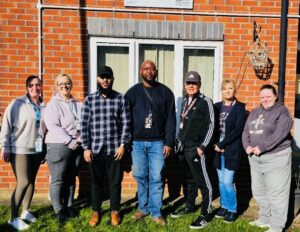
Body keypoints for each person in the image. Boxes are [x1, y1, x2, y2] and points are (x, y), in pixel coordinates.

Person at [125, 60, 176, 225]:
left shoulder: (166, 93)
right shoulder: (132, 93)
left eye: (152, 69)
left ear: (157, 71)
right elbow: (126, 119)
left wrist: (169, 143)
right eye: (146, 69)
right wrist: (126, 141)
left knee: (156, 177)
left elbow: (171, 120)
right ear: (141, 71)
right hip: (137, 143)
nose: (149, 71)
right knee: (140, 176)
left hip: (158, 143)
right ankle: (143, 207)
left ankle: (155, 211)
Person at [81, 66, 131, 227]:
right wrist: (86, 147)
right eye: (102, 77)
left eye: (108, 77)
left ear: (112, 79)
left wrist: (123, 145)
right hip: (95, 150)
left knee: (115, 182)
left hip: (115, 150)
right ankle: (96, 211)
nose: (105, 80)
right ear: (97, 79)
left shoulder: (120, 99)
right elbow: (84, 126)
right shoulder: (89, 100)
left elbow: (126, 124)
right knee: (96, 182)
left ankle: (114, 211)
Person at [242, 84, 292, 232]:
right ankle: (265, 218)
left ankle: (277, 226)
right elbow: (245, 131)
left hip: (276, 158)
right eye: (262, 97)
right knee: (259, 191)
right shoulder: (255, 112)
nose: (265, 99)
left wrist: (261, 147)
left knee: (276, 194)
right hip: (255, 159)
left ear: (276, 96)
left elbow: (280, 133)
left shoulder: (282, 111)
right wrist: (247, 146)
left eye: (268, 96)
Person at [0, 75, 46, 231]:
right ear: (27, 87)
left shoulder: (43, 105)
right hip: (19, 150)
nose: (35, 87)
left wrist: (43, 150)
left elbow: (43, 130)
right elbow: (5, 126)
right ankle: (13, 218)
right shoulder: (16, 104)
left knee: (32, 181)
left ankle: (26, 212)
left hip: (37, 150)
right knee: (24, 182)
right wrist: (4, 147)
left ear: (41, 87)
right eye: (31, 85)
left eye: (38, 85)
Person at [170, 71, 215, 230]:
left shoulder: (206, 101)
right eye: (188, 83)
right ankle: (189, 205)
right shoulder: (183, 101)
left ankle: (206, 213)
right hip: (183, 149)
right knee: (189, 180)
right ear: (185, 85)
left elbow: (211, 126)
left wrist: (203, 147)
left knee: (204, 182)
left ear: (199, 85)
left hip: (197, 149)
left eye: (194, 83)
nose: (191, 86)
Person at [44, 74, 82, 222]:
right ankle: (59, 210)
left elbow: (84, 123)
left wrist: (79, 140)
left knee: (71, 177)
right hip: (58, 145)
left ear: (71, 84)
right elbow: (53, 126)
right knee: (58, 179)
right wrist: (68, 140)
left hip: (76, 145)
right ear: (56, 86)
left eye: (67, 83)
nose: (64, 86)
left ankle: (69, 205)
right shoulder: (53, 104)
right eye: (60, 83)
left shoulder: (77, 104)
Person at [212, 79, 246, 223]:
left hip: (232, 149)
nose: (228, 91)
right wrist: (215, 144)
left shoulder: (239, 108)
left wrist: (222, 143)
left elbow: (238, 130)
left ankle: (232, 209)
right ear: (221, 90)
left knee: (227, 182)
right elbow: (212, 128)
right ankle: (224, 206)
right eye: (225, 88)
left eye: (230, 88)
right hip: (217, 150)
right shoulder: (216, 107)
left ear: (234, 90)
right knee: (220, 181)